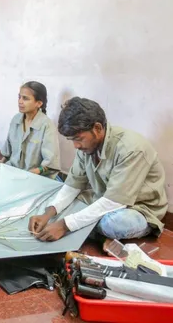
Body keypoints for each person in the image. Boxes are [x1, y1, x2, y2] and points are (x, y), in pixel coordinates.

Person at [28, 97, 168, 247]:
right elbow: (73, 186)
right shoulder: (86, 147)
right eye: (71, 140)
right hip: (102, 199)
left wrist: (64, 225)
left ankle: (98, 235)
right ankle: (94, 232)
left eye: (78, 138)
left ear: (98, 128)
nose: (76, 146)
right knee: (58, 203)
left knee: (114, 224)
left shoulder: (132, 148)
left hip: (137, 209)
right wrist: (48, 214)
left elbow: (114, 201)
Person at [0, 81, 60, 178]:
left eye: (25, 98)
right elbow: (7, 154)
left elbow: (50, 164)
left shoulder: (47, 125)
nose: (20, 101)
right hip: (12, 173)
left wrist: (29, 175)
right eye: (19, 97)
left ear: (39, 103)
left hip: (34, 178)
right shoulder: (16, 119)